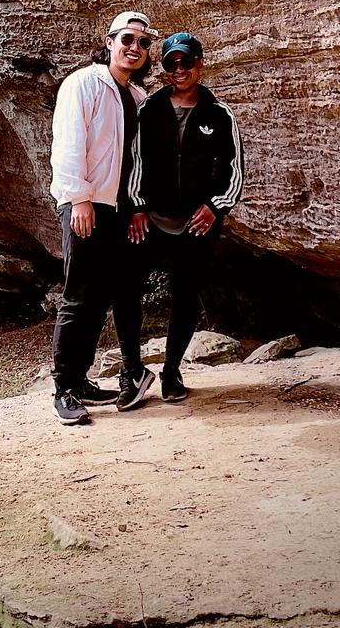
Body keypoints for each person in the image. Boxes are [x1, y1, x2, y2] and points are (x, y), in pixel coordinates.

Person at [115, 30, 244, 405]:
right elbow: (135, 161)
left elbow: (235, 168)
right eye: (171, 63)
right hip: (151, 216)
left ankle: (171, 371)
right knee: (125, 289)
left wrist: (215, 206)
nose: (179, 69)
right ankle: (131, 371)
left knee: (186, 296)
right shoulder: (149, 110)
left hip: (196, 221)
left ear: (199, 63)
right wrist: (137, 206)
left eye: (185, 61)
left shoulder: (219, 115)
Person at [49, 10, 155, 425]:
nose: (135, 48)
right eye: (128, 39)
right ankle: (64, 389)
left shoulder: (137, 98)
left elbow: (137, 161)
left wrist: (136, 206)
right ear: (109, 41)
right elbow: (70, 142)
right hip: (86, 204)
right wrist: (79, 199)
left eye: (143, 43)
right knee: (78, 296)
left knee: (100, 299)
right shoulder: (82, 83)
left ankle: (83, 379)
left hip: (119, 208)